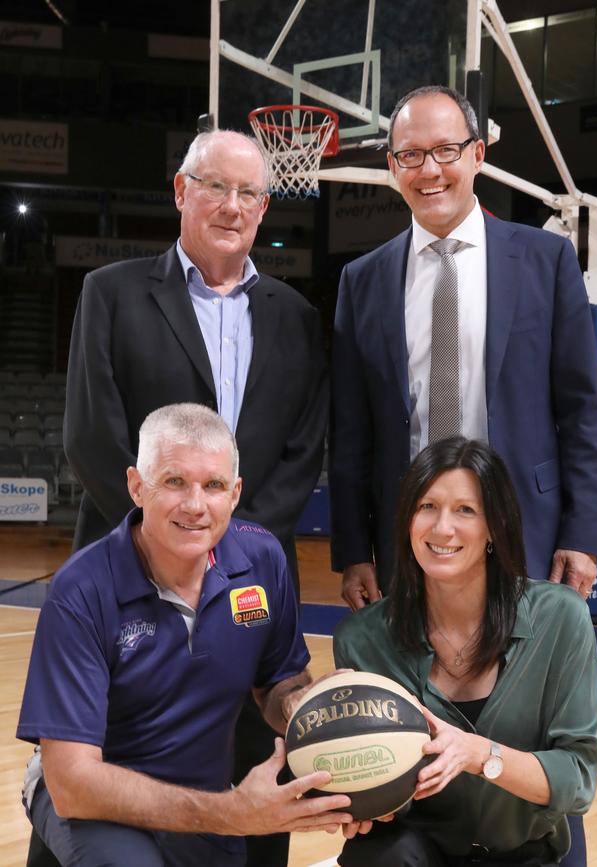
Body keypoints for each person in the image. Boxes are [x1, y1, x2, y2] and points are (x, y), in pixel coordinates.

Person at [61, 128, 327, 867]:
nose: (232, 205)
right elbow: (90, 434)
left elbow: (303, 450)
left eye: (248, 193)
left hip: (247, 587)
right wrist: (169, 547)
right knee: (114, 789)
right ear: (182, 191)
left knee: (255, 766)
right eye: (216, 186)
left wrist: (224, 555)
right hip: (127, 580)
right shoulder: (110, 292)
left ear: (265, 207)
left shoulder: (296, 318)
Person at [18, 404, 353, 867]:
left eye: (213, 485)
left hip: (198, 799)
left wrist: (308, 707)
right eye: (174, 481)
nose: (196, 505)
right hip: (89, 796)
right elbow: (74, 784)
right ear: (136, 486)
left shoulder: (261, 560)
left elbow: (280, 684)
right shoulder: (83, 588)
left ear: (235, 494)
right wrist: (232, 813)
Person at [329, 85, 597, 608]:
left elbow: (582, 413)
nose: (429, 170)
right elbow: (350, 433)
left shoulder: (547, 262)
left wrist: (583, 535)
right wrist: (353, 550)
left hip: (526, 525)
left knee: (524, 684)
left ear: (476, 154)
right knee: (412, 683)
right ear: (393, 166)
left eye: (445, 150)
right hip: (408, 534)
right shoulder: (360, 281)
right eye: (411, 155)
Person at [334, 437, 597, 867]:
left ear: (494, 527)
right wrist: (361, 797)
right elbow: (384, 790)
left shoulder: (560, 618)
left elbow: (578, 778)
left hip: (526, 853)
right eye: (427, 507)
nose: (442, 528)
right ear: (407, 520)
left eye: (466, 510)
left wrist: (478, 754)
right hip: (417, 851)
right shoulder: (362, 639)